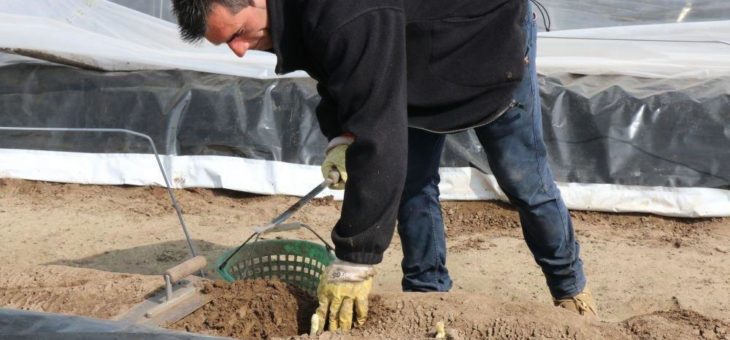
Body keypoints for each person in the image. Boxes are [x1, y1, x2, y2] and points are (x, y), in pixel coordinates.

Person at [172, 0, 598, 334]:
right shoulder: (309, 14)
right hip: (411, 48)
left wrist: (356, 257)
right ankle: (428, 302)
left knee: (523, 180)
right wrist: (342, 136)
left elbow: (379, 136)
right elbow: (343, 74)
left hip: (482, 34)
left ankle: (571, 292)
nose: (241, 51)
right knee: (413, 185)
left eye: (240, 33)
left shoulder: (346, 12)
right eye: (228, 44)